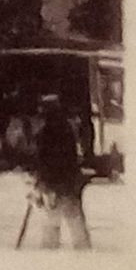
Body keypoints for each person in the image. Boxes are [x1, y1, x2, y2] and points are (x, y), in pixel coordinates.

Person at [30, 94, 92, 250]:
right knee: (74, 218)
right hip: (68, 180)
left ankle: (50, 250)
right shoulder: (67, 129)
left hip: (53, 181)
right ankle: (83, 250)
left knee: (52, 219)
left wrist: (40, 180)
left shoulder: (45, 133)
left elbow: (42, 160)